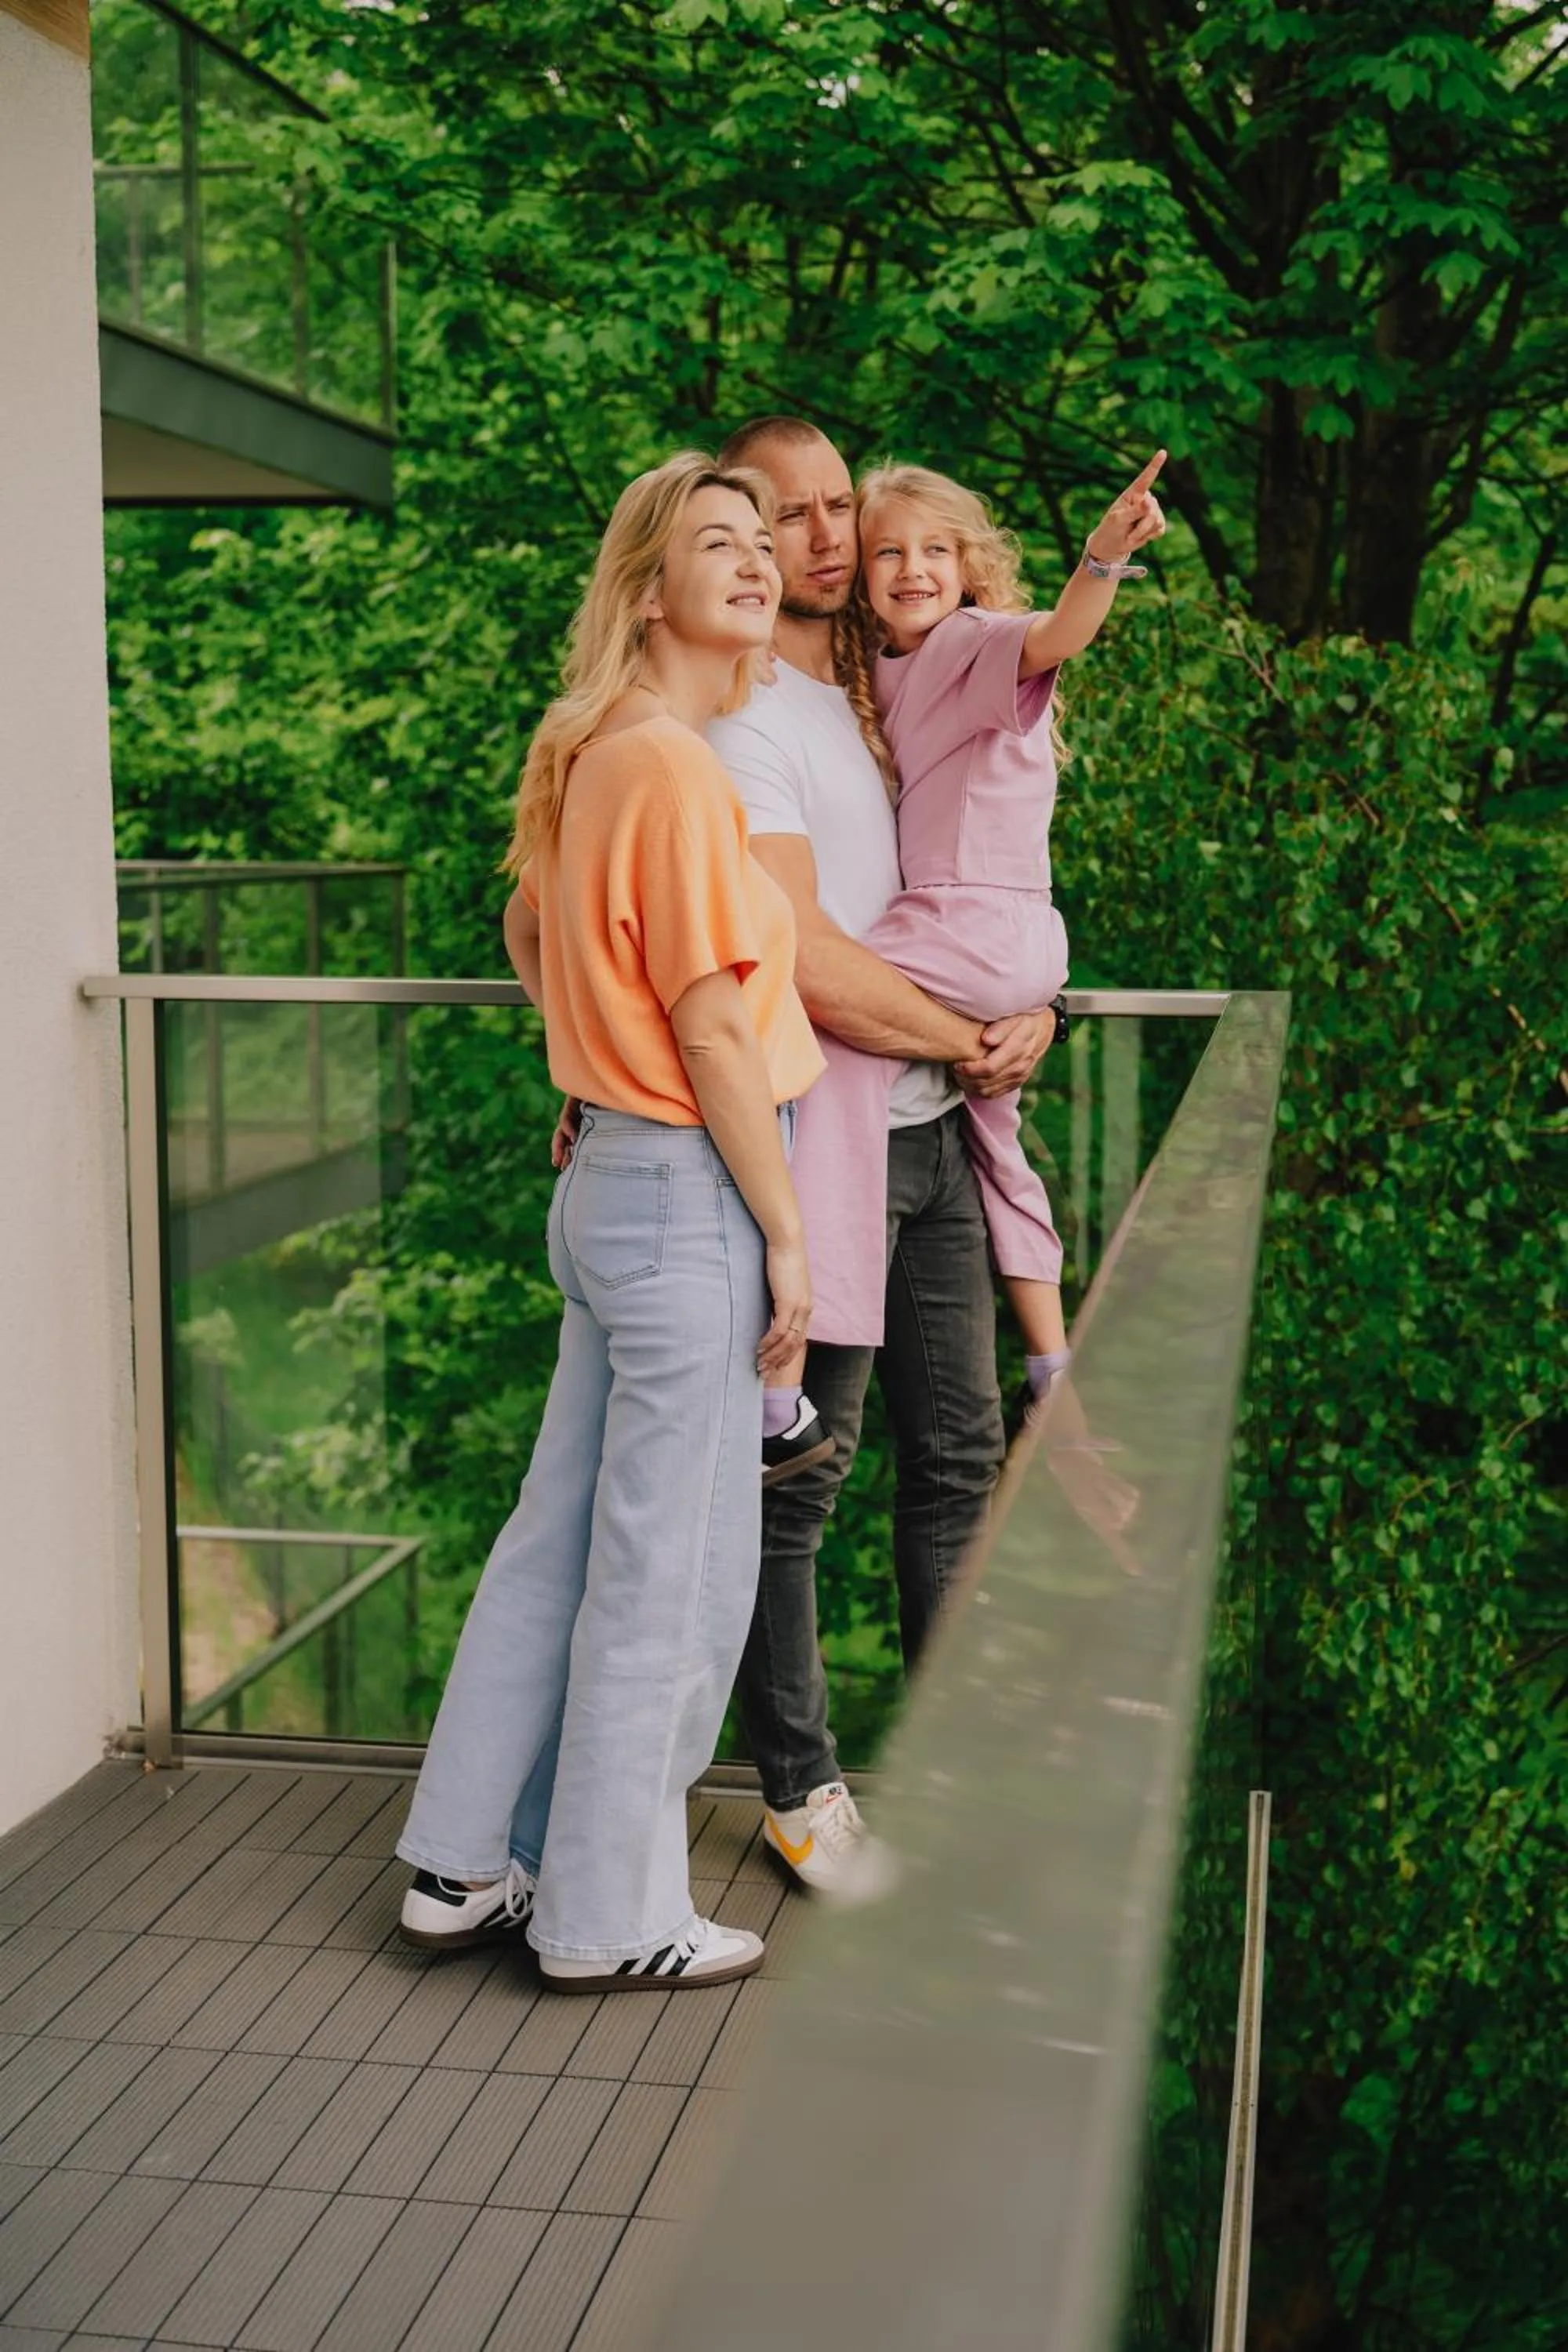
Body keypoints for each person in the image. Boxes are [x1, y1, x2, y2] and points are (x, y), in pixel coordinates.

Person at [395, 451, 824, 1991]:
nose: (759, 561)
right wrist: (784, 1232)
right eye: (720, 542)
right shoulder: (673, 770)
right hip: (692, 1192)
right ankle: (604, 1916)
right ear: (651, 588)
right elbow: (713, 1030)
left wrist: (587, 1053)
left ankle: (463, 1863)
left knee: (561, 1542)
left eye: (763, 541)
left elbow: (534, 930)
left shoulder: (598, 749)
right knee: (675, 1577)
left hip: (613, 1189)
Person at [703, 417, 1058, 1897]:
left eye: (844, 505)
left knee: (962, 1463)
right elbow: (807, 962)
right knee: (803, 1476)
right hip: (827, 1139)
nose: (835, 536)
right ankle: (799, 1785)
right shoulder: (745, 721)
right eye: (795, 517)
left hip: (933, 1136)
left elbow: (971, 866)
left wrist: (1027, 1000)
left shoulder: (877, 681)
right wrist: (971, 1032)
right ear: (743, 539)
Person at [764, 452, 1167, 1439]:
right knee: (997, 1144)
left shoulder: (966, 644)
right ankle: (1051, 1361)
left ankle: (787, 1370)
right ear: (860, 576)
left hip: (965, 928)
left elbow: (1054, 633)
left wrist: (1101, 562)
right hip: (1015, 945)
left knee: (828, 1024)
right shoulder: (884, 675)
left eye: (935, 550)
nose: (911, 569)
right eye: (888, 553)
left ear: (968, 565)